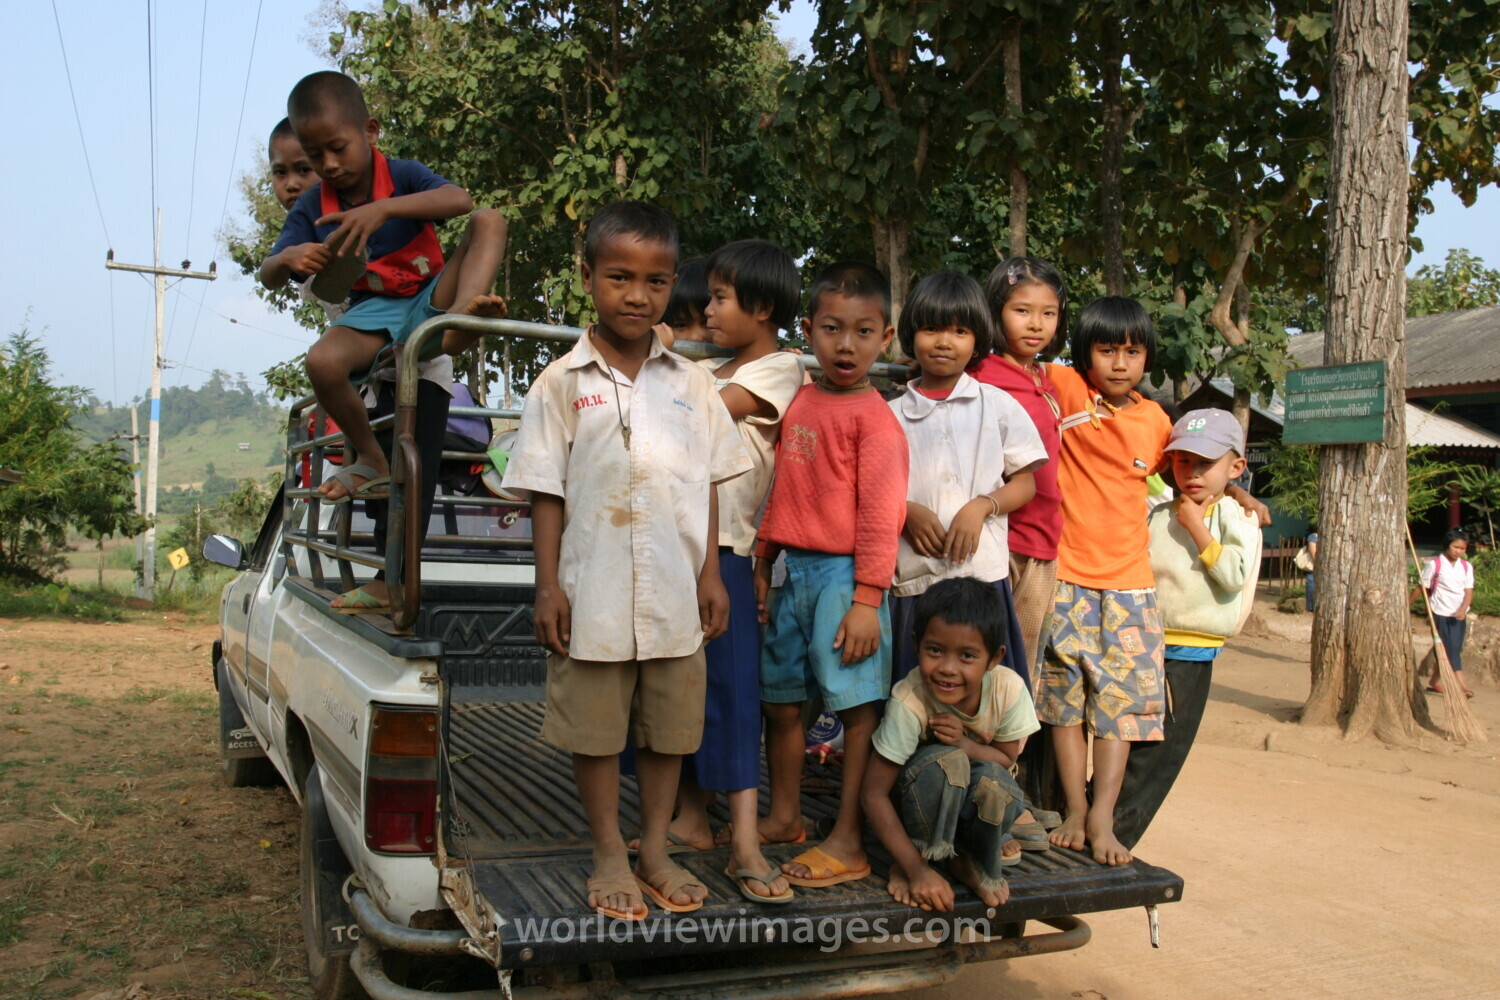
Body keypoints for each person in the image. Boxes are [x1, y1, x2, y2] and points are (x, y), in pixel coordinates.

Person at [501, 201, 750, 919]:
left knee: (671, 729)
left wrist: (711, 573)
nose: (638, 296)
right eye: (619, 277)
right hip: (595, 588)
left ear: (674, 286)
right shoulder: (559, 385)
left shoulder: (692, 385)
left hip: (676, 590)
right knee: (599, 730)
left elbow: (705, 483)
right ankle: (609, 850)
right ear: (587, 278)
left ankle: (656, 849)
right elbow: (546, 491)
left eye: (656, 281)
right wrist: (548, 585)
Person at [642, 240, 804, 904]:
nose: (706, 311)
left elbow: (703, 414)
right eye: (705, 297)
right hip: (671, 548)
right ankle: (690, 818)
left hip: (729, 551)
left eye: (718, 298)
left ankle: (744, 839)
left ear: (762, 308)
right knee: (672, 693)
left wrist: (659, 353)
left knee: (734, 696)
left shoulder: (780, 368)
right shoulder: (712, 366)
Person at [260, 71, 508, 504]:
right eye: (316, 156)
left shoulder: (401, 175)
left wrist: (383, 210)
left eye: (337, 148)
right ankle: (372, 459)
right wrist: (285, 258)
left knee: (490, 220)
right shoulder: (313, 205)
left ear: (370, 131)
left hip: (432, 297)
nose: (330, 165)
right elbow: (268, 273)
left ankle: (462, 320)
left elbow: (460, 201)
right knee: (321, 362)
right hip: (373, 313)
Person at [753, 262, 909, 888]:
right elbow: (779, 491)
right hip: (794, 574)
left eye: (863, 332)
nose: (847, 345)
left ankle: (847, 838)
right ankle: (786, 815)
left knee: (855, 710)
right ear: (808, 331)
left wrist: (868, 598)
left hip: (848, 581)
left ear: (886, 337)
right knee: (781, 701)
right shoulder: (800, 400)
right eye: (832, 329)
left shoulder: (877, 421)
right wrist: (763, 561)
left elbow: (881, 515)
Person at [888, 271, 1045, 690]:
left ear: (978, 340)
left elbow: (1025, 483)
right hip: (916, 579)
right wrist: (905, 511)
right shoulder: (890, 415)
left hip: (982, 578)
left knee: (986, 699)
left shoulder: (996, 405)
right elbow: (868, 490)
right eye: (932, 328)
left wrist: (982, 506)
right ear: (910, 334)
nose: (945, 341)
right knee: (914, 697)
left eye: (960, 330)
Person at [1116, 408, 1258, 848]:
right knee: (1121, 743)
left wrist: (1199, 529)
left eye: (1205, 463)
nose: (1192, 473)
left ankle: (1119, 835)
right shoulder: (1159, 513)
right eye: (1182, 462)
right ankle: (1094, 823)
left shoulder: (1236, 516)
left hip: (1189, 654)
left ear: (1235, 468)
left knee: (1157, 756)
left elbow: (1235, 575)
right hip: (1140, 643)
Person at [862, 577, 1038, 911]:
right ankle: (914, 859)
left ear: (994, 658)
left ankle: (969, 858)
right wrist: (915, 870)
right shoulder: (909, 699)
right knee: (947, 762)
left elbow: (1005, 759)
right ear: (917, 644)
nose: (947, 668)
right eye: (935, 650)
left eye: (967, 656)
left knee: (996, 783)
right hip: (915, 811)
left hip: (968, 802)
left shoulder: (1009, 690)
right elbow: (873, 794)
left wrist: (964, 743)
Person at [972, 258, 1068, 700]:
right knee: (985, 663)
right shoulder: (982, 376)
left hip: (1043, 544)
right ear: (995, 311)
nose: (1036, 324)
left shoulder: (1044, 379)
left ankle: (1004, 759)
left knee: (1020, 668)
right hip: (1002, 544)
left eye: (1048, 313)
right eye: (1022, 310)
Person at [1417, 527, 1475, 698]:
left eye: (1462, 548)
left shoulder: (1466, 567)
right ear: (1447, 545)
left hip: (1458, 614)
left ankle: (1434, 681)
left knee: (1451, 648)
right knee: (1451, 650)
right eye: (1455, 547)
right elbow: (1423, 588)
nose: (1459, 551)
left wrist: (1463, 609)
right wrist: (1408, 604)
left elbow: (1469, 591)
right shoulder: (1435, 565)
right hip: (1440, 612)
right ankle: (1462, 686)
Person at [1304, 524, 1319, 611]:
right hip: (1313, 566)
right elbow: (1313, 553)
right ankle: (1311, 607)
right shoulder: (1313, 537)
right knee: (1311, 585)